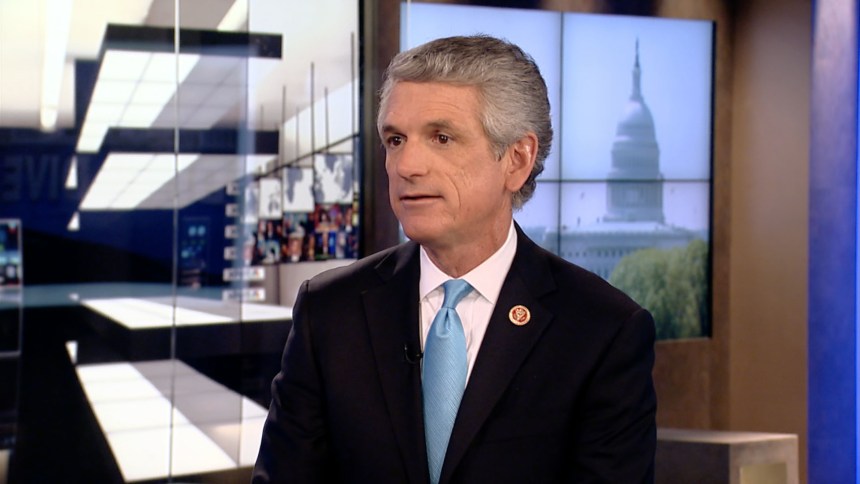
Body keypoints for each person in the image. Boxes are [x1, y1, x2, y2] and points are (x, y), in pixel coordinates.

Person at [253, 35, 656, 483]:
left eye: (441, 137)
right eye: (396, 139)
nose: (406, 165)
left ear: (517, 159)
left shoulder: (602, 331)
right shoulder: (330, 311)